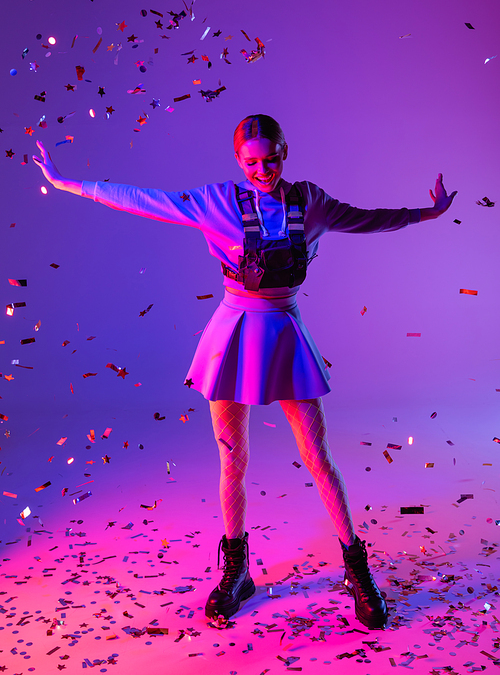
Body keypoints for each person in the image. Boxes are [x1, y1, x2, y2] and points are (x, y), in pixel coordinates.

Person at [33, 114, 456, 630]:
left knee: (317, 455)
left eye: (272, 157)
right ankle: (237, 571)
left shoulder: (312, 203)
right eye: (252, 161)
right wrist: (70, 183)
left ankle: (355, 567)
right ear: (238, 161)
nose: (263, 169)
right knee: (232, 457)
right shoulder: (217, 203)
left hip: (284, 332)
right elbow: (148, 200)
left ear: (285, 151)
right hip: (233, 336)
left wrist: (427, 214)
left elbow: (366, 218)